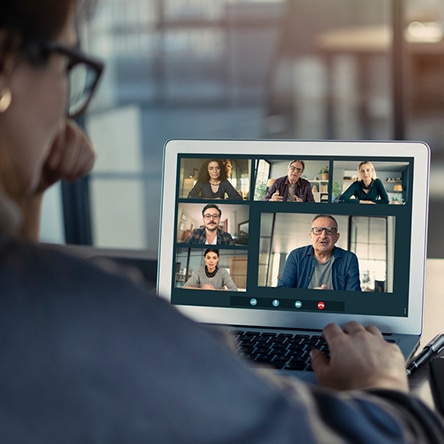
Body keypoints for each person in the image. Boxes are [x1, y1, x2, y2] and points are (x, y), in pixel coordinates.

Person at [0, 1, 443, 442]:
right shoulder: (107, 320)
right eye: (68, 64)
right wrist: (381, 387)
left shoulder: (313, 224)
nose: (67, 105)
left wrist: (30, 180)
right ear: (6, 65)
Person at [278, 215, 361, 291]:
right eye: (318, 230)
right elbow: (282, 290)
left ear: (337, 237)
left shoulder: (349, 259)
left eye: (329, 230)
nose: (323, 236)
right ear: (311, 235)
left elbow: (353, 296)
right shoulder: (296, 256)